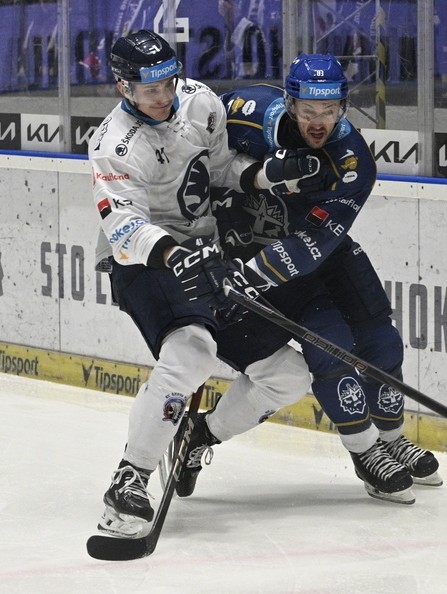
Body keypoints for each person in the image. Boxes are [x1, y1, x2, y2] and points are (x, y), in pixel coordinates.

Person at [177, 53, 443, 505]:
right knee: (330, 345)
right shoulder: (245, 110)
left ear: (342, 105)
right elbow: (186, 157)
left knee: (380, 335)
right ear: (291, 102)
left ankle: (391, 438)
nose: (319, 123)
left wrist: (254, 275)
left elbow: (318, 238)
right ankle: (364, 452)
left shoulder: (353, 159)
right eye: (308, 112)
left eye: (330, 111)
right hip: (246, 245)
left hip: (312, 251)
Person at [89, 30, 318, 537]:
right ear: (122, 87)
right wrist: (178, 255)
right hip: (143, 261)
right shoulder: (112, 145)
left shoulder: (200, 104)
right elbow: (124, 225)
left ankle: (197, 436)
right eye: (149, 89)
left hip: (207, 253)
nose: (164, 96)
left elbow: (219, 172)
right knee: (191, 352)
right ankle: (130, 478)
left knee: (289, 377)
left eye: (168, 82)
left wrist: (269, 175)